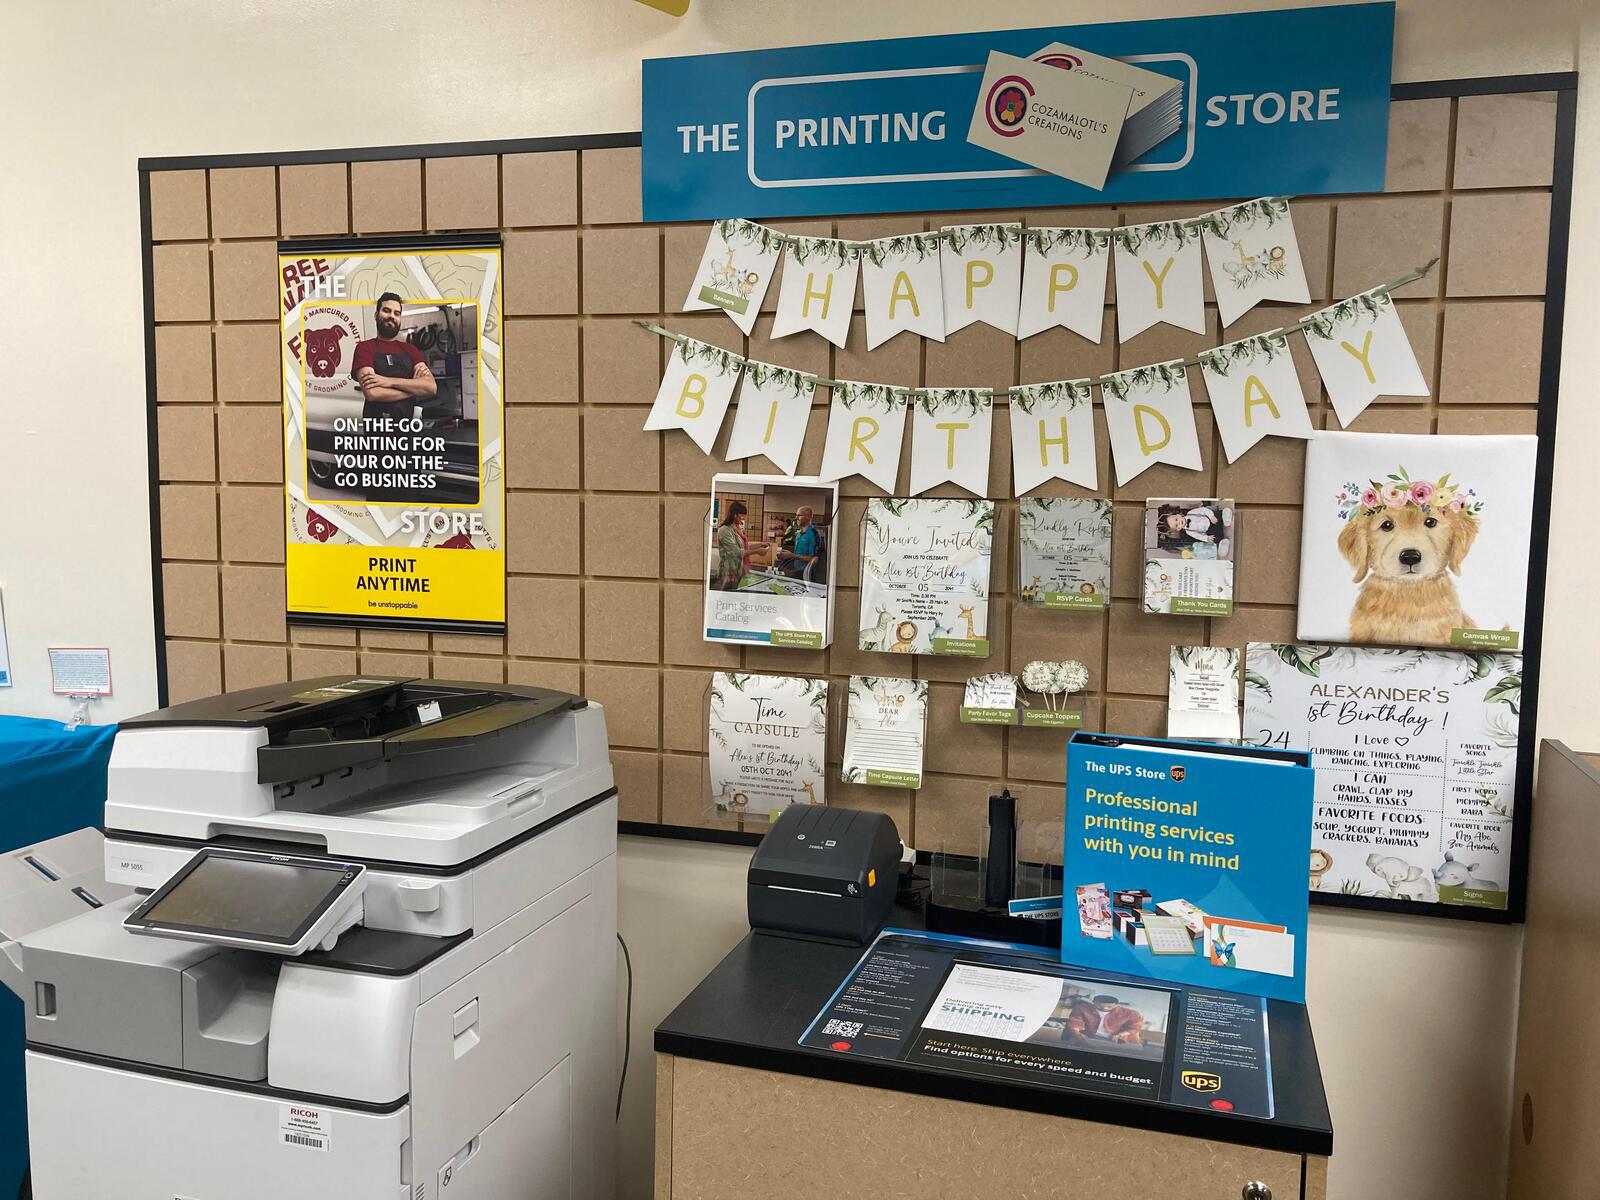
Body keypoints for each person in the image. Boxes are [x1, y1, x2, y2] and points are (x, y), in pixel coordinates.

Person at [350, 293, 437, 502]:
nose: (392, 316)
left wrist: (386, 381)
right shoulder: (364, 348)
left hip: (406, 439)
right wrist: (413, 388)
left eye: (397, 313)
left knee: (408, 499)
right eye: (387, 310)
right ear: (376, 314)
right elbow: (373, 393)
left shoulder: (410, 350)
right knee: (380, 501)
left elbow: (431, 387)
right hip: (377, 443)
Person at [712, 501, 767, 590]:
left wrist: (760, 545)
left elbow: (743, 547)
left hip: (739, 569)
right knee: (728, 595)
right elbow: (735, 552)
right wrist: (757, 551)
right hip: (729, 572)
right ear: (735, 514)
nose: (743, 518)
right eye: (742, 515)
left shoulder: (737, 529)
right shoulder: (725, 530)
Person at [777, 505, 825, 583]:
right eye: (796, 515)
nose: (796, 518)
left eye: (799, 515)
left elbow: (814, 559)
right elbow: (798, 555)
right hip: (797, 571)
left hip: (807, 574)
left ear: (809, 517)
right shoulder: (799, 534)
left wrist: (793, 556)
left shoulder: (813, 534)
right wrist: (787, 555)